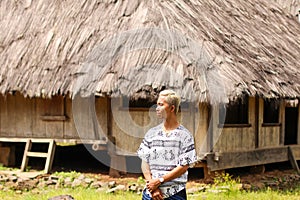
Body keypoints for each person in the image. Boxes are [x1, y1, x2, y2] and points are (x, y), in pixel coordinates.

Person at [137, 89, 197, 200]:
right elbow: (144, 162)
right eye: (157, 105)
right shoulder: (151, 134)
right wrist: (152, 186)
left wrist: (160, 180)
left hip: (175, 194)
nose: (157, 108)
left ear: (172, 108)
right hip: (150, 194)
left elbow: (183, 167)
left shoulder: (185, 136)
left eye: (161, 105)